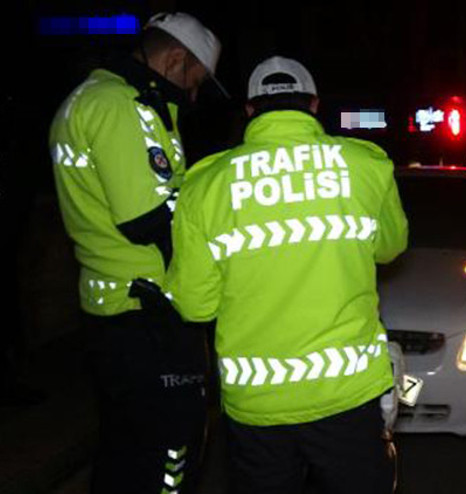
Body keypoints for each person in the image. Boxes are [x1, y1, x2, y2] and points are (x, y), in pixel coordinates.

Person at [165, 56, 408, 494]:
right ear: (314, 105)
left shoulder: (205, 185)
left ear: (250, 111)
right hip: (348, 396)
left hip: (257, 408)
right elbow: (391, 247)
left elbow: (194, 304)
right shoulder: (366, 165)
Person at [48, 12, 222, 493]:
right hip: (144, 313)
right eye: (194, 80)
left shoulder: (99, 98)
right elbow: (150, 219)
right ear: (175, 58)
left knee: (125, 447)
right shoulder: (121, 107)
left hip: (118, 308)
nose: (192, 94)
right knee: (172, 445)